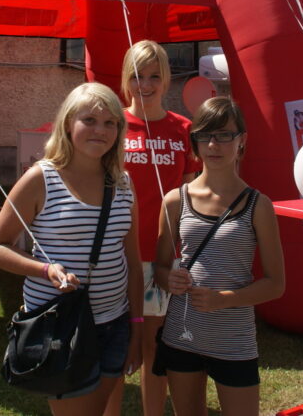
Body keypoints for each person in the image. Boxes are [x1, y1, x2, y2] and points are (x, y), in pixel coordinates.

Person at [0, 82, 144, 415]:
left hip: (114, 326)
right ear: (68, 124)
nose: (100, 130)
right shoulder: (41, 178)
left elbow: (132, 261)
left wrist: (137, 327)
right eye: (89, 120)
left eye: (110, 122)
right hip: (61, 328)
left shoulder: (124, 183)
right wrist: (44, 269)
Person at [153, 96, 285, 416]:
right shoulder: (175, 200)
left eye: (224, 135)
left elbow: (276, 283)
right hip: (181, 337)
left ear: (242, 141)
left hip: (234, 342)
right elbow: (157, 269)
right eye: (204, 135)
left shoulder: (258, 205)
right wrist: (168, 278)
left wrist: (223, 299)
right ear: (194, 142)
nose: (214, 144)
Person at [105, 41, 200, 416]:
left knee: (154, 349)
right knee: (114, 349)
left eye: (154, 76)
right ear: (125, 79)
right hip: (117, 257)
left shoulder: (183, 129)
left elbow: (193, 197)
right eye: (136, 76)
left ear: (166, 80)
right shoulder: (112, 125)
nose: (144, 84)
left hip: (163, 259)